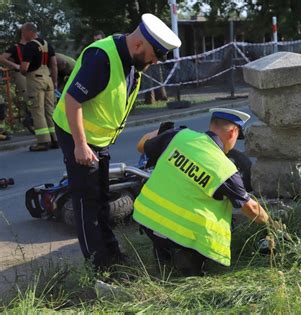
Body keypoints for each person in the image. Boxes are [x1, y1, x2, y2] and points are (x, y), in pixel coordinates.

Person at [52, 13, 181, 270]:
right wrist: (80, 144)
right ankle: (99, 264)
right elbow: (72, 100)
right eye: (154, 56)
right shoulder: (102, 58)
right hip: (77, 136)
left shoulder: (132, 61)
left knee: (101, 195)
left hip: (98, 139)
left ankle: (110, 250)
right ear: (138, 45)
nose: (154, 62)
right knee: (87, 200)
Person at [133, 108, 269, 276]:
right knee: (227, 220)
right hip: (182, 234)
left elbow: (141, 146)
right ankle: (190, 260)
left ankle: (165, 256)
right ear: (233, 132)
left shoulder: (178, 137)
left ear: (212, 125)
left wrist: (161, 131)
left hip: (148, 219)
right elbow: (252, 209)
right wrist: (272, 225)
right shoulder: (224, 168)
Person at [20, 22, 58, 151]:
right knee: (50, 110)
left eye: (23, 32)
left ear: (30, 32)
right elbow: (54, 65)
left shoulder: (30, 46)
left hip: (35, 80)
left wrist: (20, 70)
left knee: (37, 111)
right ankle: (55, 139)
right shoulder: (47, 44)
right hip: (48, 79)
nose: (22, 34)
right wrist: (55, 81)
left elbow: (24, 68)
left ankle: (43, 142)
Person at [0, 28, 33, 134]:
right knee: (27, 99)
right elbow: (2, 58)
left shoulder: (32, 46)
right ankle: (30, 121)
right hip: (21, 75)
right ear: (24, 34)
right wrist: (15, 66)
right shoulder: (15, 47)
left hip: (33, 75)